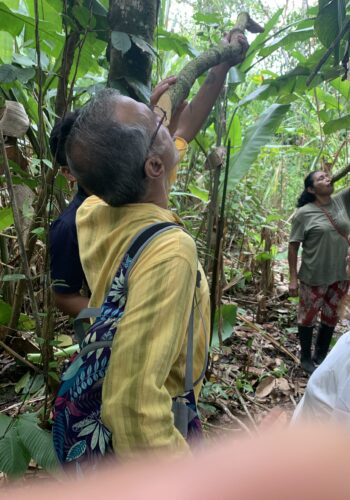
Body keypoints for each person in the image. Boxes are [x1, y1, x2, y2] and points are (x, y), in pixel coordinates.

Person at [60, 30, 248, 458]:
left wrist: (214, 72)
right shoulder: (169, 251)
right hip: (152, 428)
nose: (164, 117)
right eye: (156, 121)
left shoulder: (96, 211)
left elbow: (150, 153)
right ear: (155, 164)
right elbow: (133, 408)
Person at [288, 171, 350, 374]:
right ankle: (306, 357)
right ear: (311, 189)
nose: (327, 179)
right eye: (320, 178)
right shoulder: (303, 213)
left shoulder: (341, 200)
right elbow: (293, 246)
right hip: (314, 276)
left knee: (331, 316)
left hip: (340, 274)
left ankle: (320, 356)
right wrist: (293, 279)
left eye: (327, 176)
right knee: (307, 317)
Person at [49, 111, 90, 317]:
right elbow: (65, 297)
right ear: (68, 172)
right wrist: (116, 313)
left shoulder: (137, 186)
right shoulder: (69, 226)